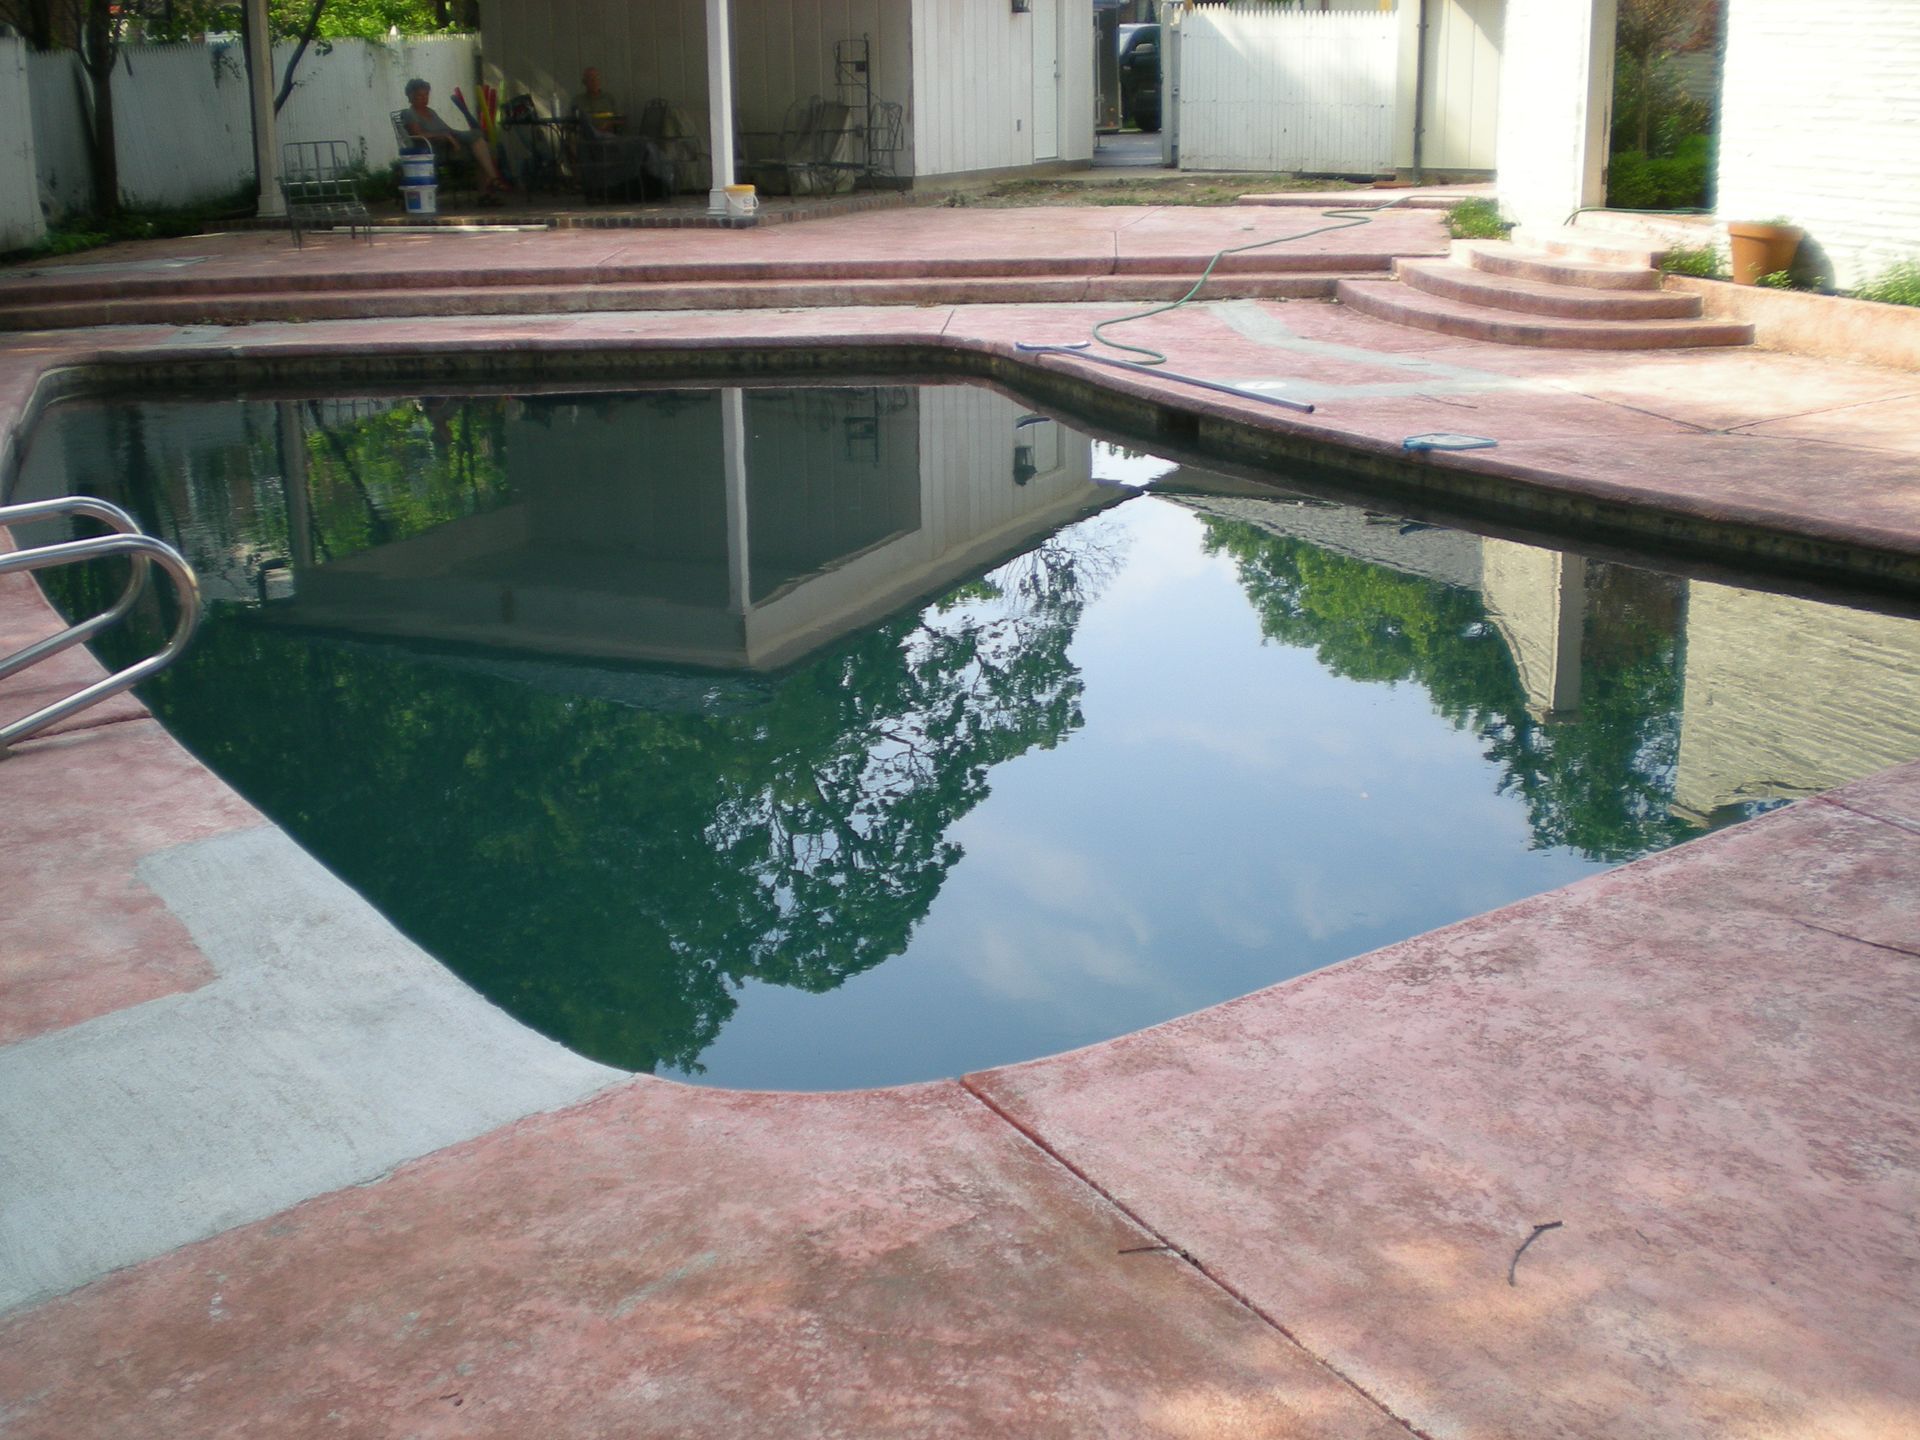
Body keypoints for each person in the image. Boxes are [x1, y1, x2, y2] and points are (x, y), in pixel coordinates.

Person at [402, 77, 508, 201]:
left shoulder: (431, 112)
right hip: (434, 150)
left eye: (426, 94)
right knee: (481, 148)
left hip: (449, 145)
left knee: (481, 143)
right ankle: (489, 187)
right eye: (420, 95)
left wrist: (456, 136)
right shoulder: (410, 113)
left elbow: (448, 130)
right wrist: (445, 136)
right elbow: (418, 135)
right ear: (410, 96)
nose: (424, 98)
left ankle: (488, 190)